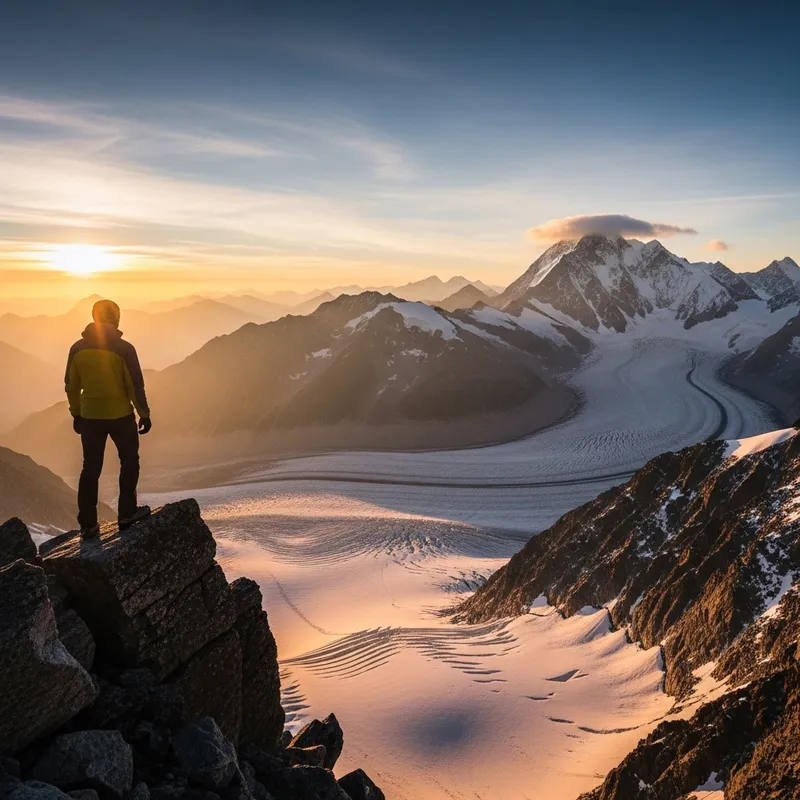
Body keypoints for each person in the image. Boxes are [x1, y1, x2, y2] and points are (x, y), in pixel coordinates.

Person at [65, 299, 152, 536]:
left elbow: (71, 386)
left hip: (91, 417)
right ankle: (127, 514)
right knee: (129, 462)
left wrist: (76, 414)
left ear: (94, 318)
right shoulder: (125, 349)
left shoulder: (77, 348)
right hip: (121, 417)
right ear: (116, 318)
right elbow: (135, 386)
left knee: (90, 469)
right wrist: (144, 414)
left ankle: (88, 525)